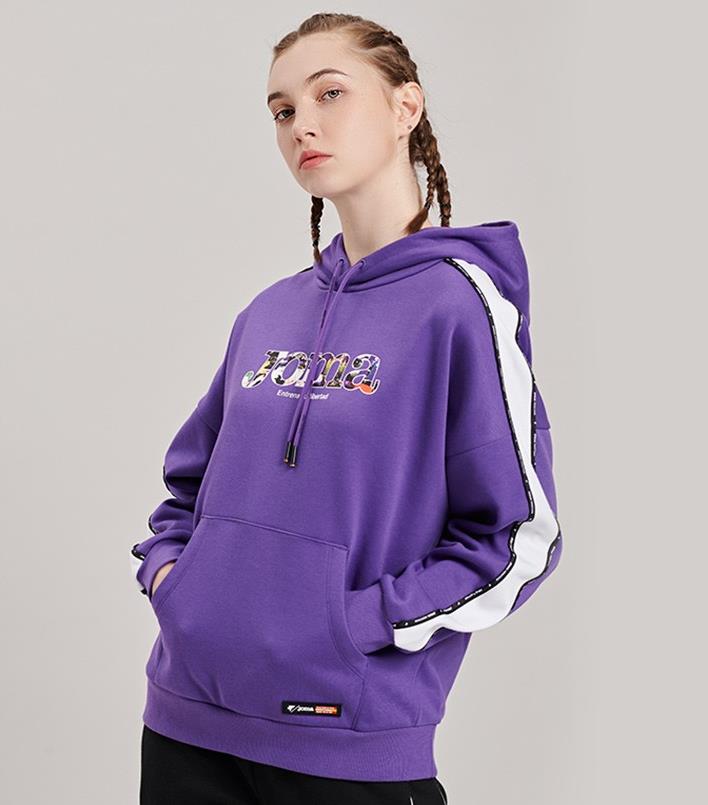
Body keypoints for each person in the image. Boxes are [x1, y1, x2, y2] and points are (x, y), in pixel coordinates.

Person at [130, 12, 563, 805]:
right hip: (186, 725)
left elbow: (516, 538)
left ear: (406, 107)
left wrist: (351, 622)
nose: (302, 124)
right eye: (283, 109)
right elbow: (187, 487)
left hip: (347, 743)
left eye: (330, 93)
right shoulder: (269, 311)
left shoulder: (460, 309)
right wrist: (173, 581)